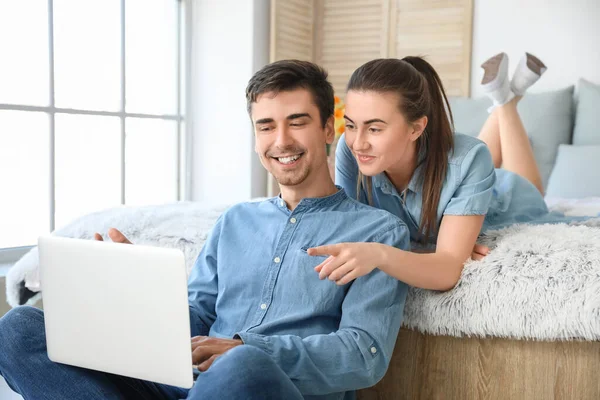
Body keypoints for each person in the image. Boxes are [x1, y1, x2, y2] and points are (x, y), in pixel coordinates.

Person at [0, 60, 410, 400]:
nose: (281, 140)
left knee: (244, 366)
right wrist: (130, 294)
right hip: (185, 385)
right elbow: (196, 318)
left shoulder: (378, 233)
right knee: (18, 328)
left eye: (296, 122)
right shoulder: (235, 221)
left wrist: (246, 347)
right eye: (266, 126)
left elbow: (362, 355)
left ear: (327, 130)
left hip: (261, 385)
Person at [310, 52, 572, 291]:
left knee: (523, 182)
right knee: (465, 157)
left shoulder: (470, 159)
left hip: (506, 198)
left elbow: (446, 273)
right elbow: (354, 234)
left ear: (415, 128)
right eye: (352, 125)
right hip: (460, 172)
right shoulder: (349, 148)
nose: (358, 142)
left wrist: (383, 254)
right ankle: (505, 96)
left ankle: (506, 102)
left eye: (375, 128)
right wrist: (431, 253)